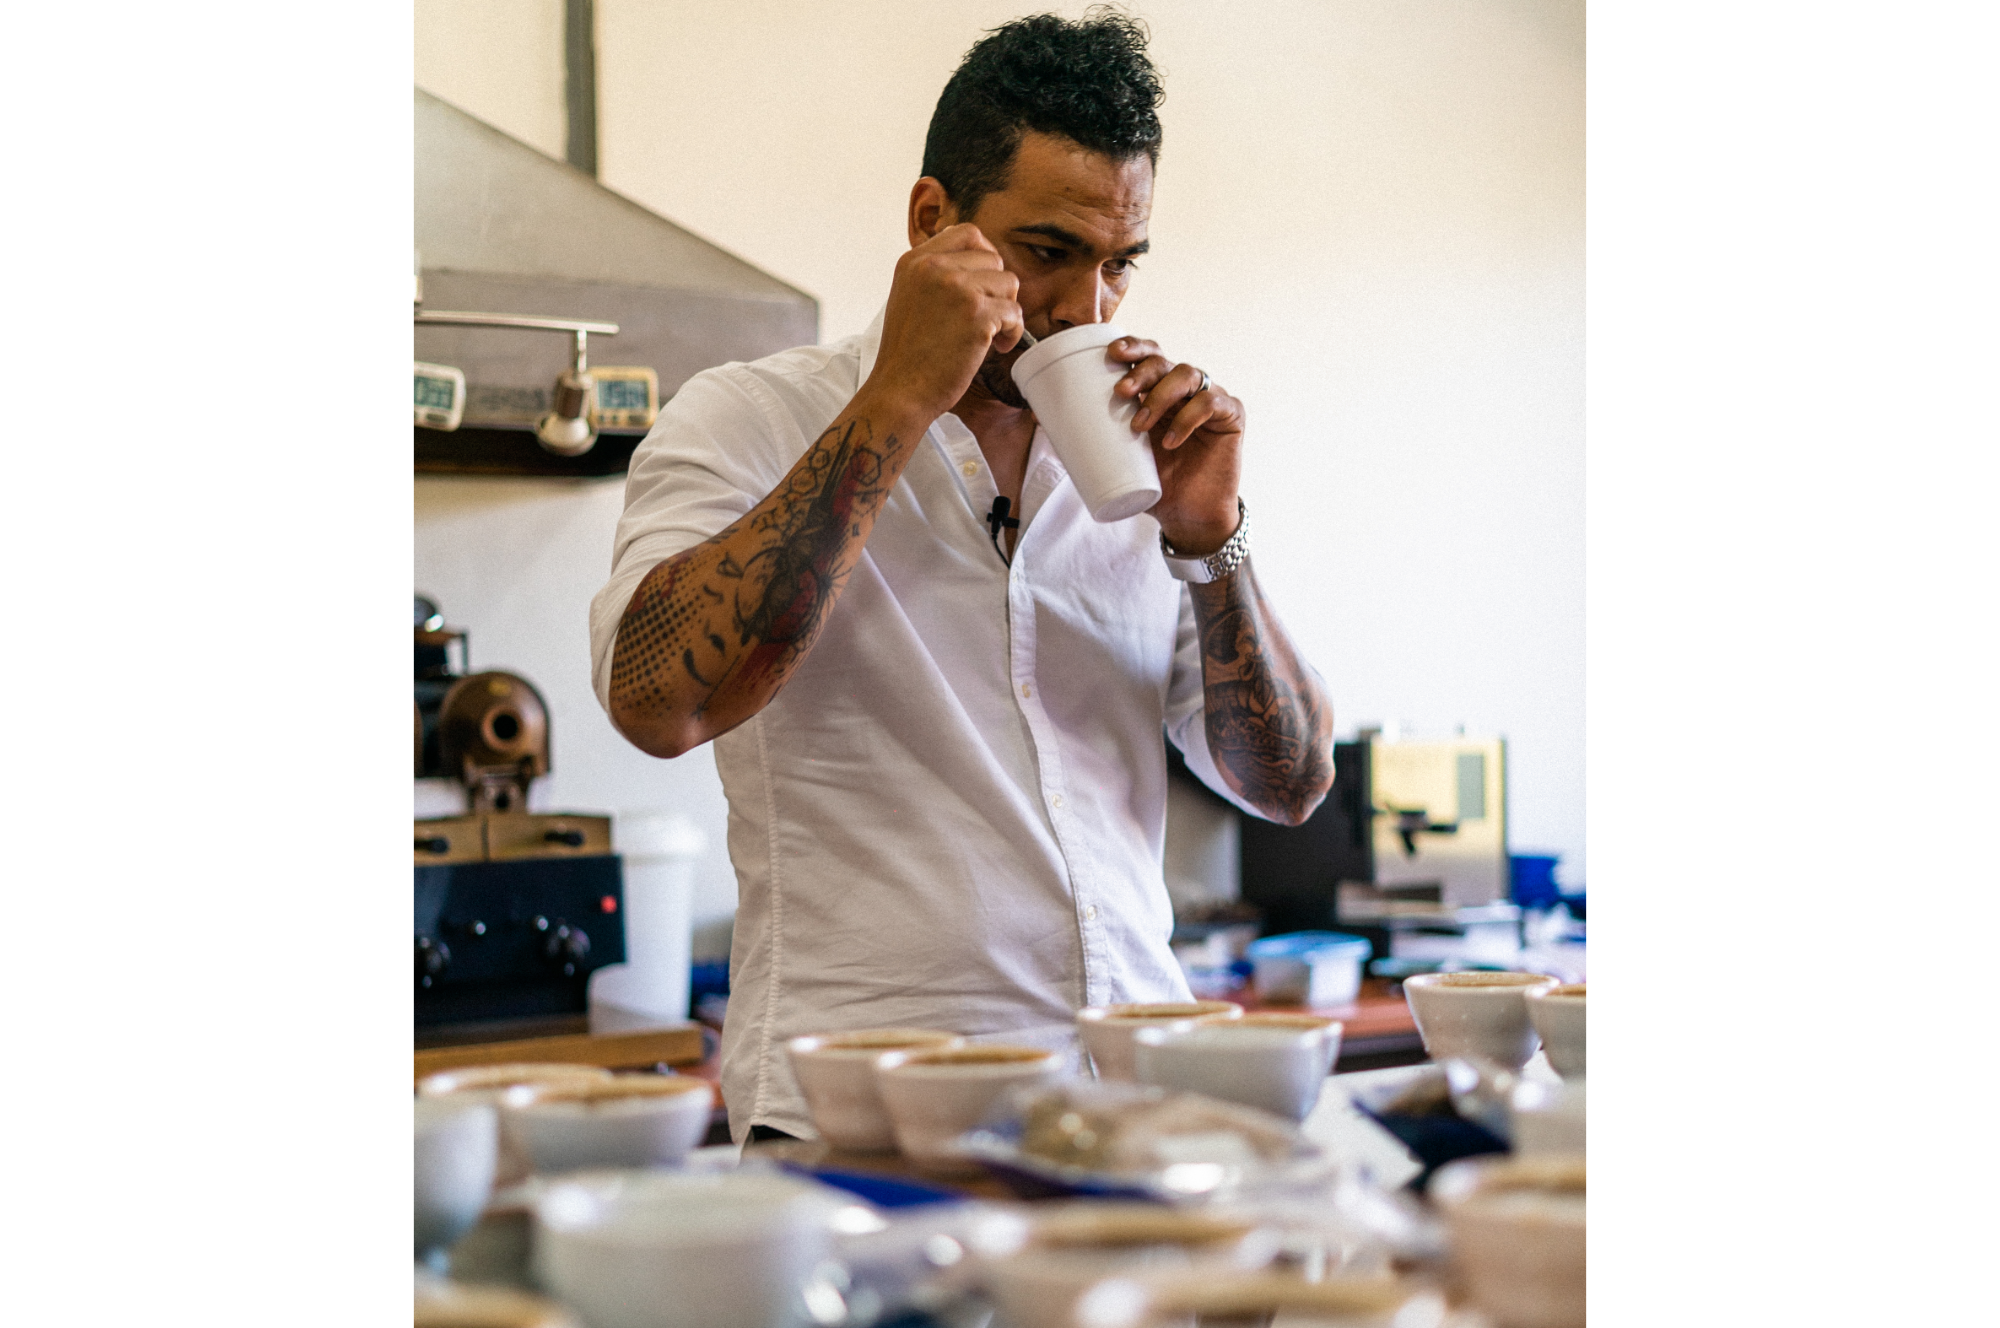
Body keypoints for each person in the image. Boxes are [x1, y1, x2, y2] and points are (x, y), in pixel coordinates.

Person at [588, 10, 1334, 1143]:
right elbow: (657, 700)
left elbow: (1287, 786)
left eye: (1116, 265)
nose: (1084, 310)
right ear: (932, 221)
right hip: (863, 1113)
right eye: (1045, 254)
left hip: (1132, 1106)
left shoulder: (1139, 464)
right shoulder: (748, 417)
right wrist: (898, 397)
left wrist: (1209, 536)